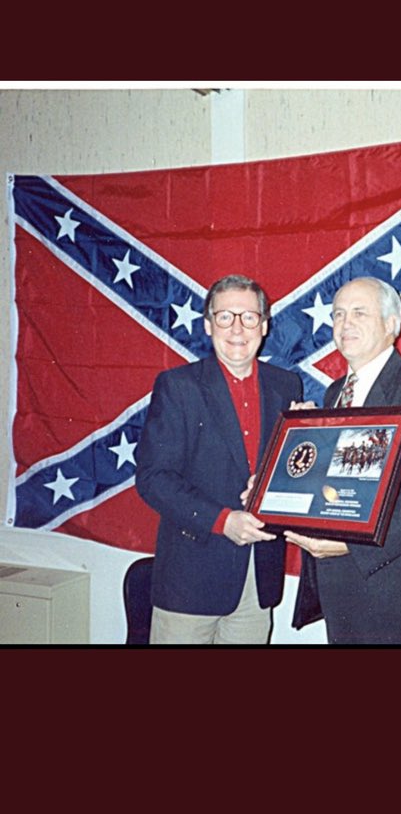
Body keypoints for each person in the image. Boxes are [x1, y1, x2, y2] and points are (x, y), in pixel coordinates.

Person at [288, 276, 401, 645]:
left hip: (396, 600)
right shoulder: (335, 393)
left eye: (359, 313)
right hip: (342, 592)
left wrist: (353, 544)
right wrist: (298, 446)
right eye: (338, 314)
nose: (345, 323)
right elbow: (339, 488)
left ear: (391, 323)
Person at [135, 274, 303, 644]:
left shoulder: (287, 385)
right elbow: (153, 478)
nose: (237, 328)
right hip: (190, 579)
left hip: (258, 577)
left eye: (249, 317)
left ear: (264, 325)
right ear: (209, 325)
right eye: (225, 317)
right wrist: (222, 520)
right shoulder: (178, 386)